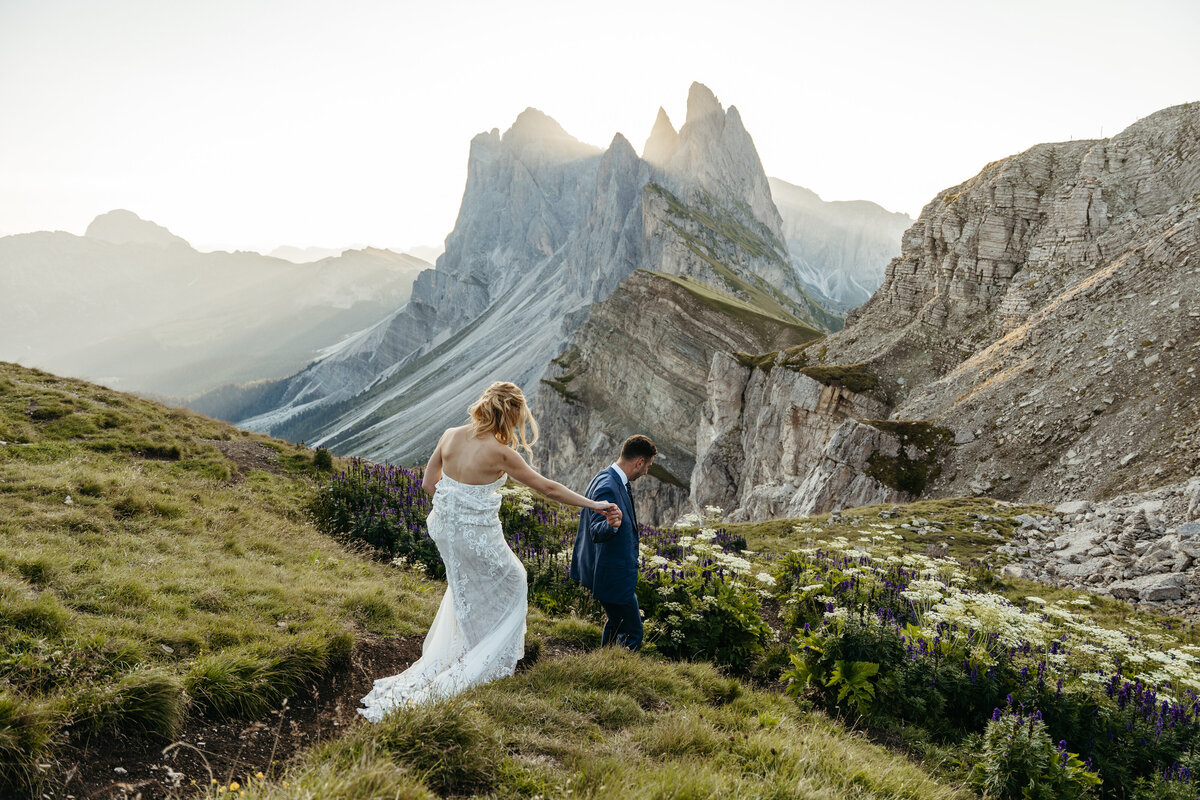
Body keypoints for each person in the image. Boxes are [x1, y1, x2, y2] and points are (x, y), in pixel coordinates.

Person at [358, 381, 620, 722]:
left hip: (444, 529)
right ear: (509, 416)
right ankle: (484, 659)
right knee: (515, 580)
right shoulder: (501, 452)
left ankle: (472, 646)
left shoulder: (450, 435)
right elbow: (547, 488)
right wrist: (594, 505)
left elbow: (427, 483)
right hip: (475, 535)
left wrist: (455, 511)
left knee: (465, 588)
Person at [569, 435, 657, 651]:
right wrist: (611, 525)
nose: (646, 471)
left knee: (616, 623)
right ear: (639, 462)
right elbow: (596, 530)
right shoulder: (608, 486)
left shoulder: (608, 478)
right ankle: (622, 675)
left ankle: (604, 664)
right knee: (633, 631)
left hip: (611, 571)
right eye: (648, 465)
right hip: (613, 574)